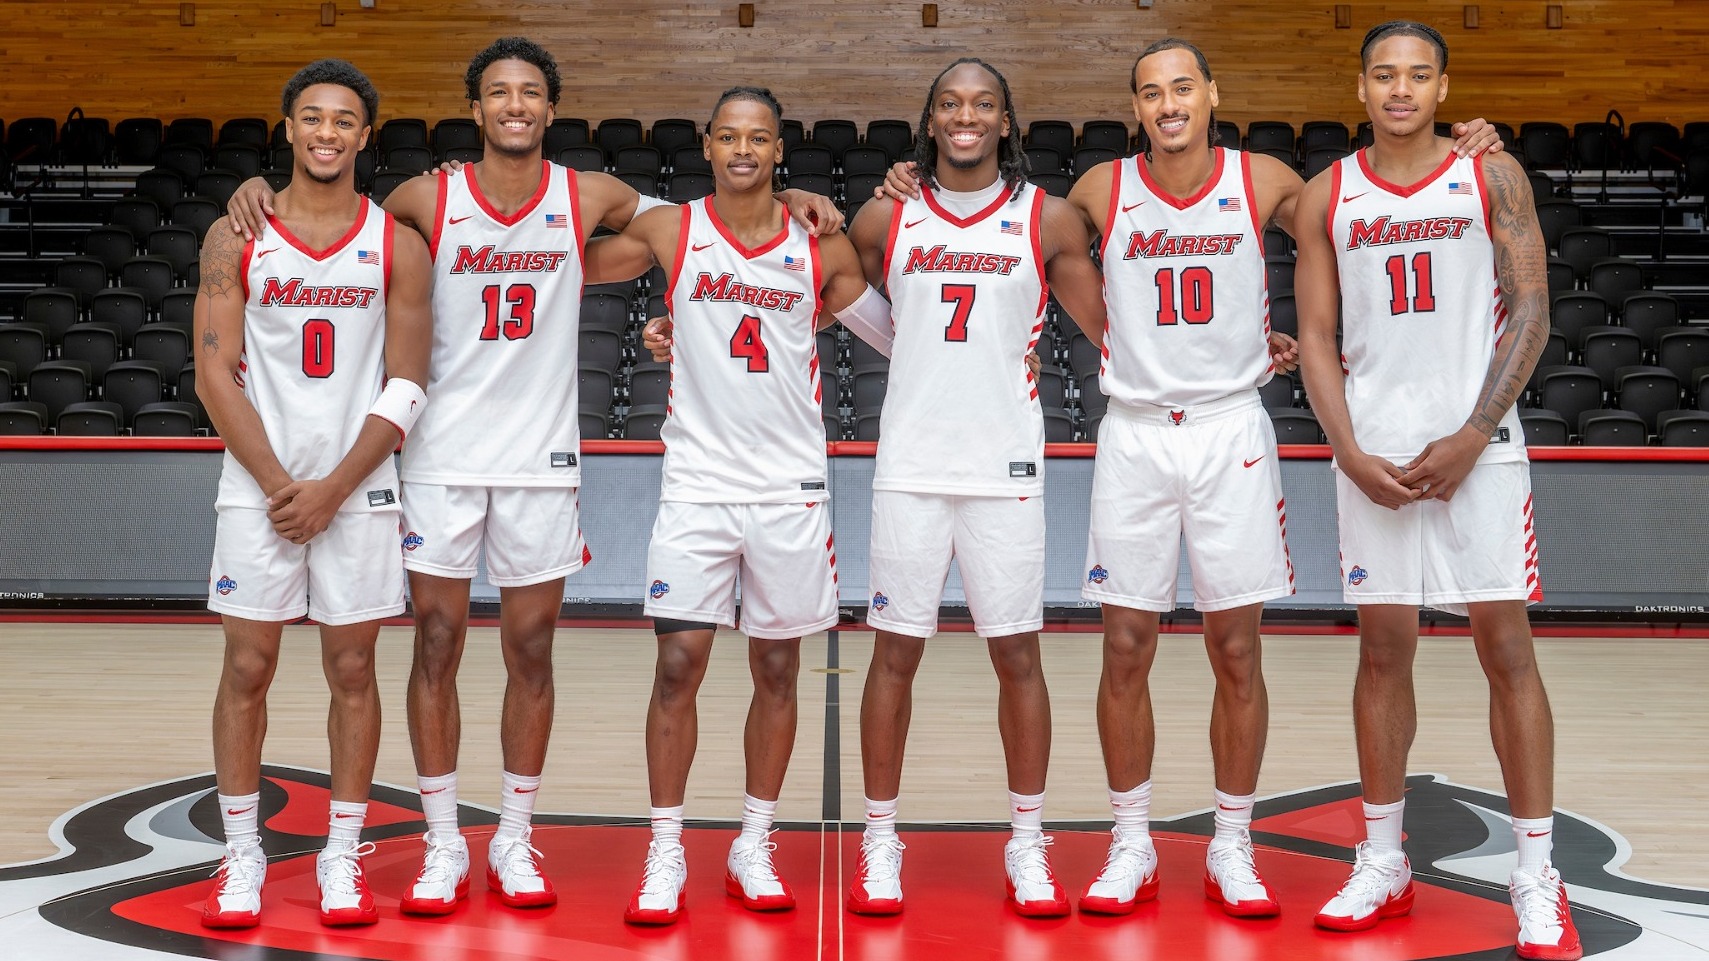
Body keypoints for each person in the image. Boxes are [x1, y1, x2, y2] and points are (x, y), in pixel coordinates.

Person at [877, 41, 1499, 919]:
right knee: (1123, 648)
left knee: (1235, 648)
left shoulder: (1269, 181)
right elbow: (1005, 237)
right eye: (1149, 92)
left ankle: (1231, 842)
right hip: (1134, 432)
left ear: (1211, 93)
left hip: (1227, 433)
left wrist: (1467, 143)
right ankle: (1130, 841)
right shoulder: (1099, 190)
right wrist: (907, 185)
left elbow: (1358, 231)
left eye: (1182, 88)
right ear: (1134, 107)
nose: (1168, 104)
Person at [226, 38, 839, 915]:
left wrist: (795, 198)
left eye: (530, 94)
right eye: (497, 93)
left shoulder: (590, 196)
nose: (514, 106)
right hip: (438, 454)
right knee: (435, 644)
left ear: (551, 110)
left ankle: (513, 835)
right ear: (473, 111)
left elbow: (711, 222)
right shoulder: (421, 199)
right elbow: (330, 212)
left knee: (531, 651)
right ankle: (444, 841)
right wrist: (253, 192)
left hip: (542, 460)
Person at [1292, 20, 1580, 960]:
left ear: (1443, 86)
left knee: (1506, 648)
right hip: (1372, 456)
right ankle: (1382, 857)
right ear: (1360, 85)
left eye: (1418, 75)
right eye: (1383, 74)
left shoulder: (1488, 172)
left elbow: (1531, 307)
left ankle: (1536, 871)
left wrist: (1471, 432)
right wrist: (1345, 451)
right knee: (1382, 652)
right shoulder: (1327, 193)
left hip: (1478, 448)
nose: (1400, 89)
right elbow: (1319, 340)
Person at [580, 86, 886, 926]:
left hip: (789, 488)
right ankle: (667, 844)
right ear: (708, 146)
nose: (743, 149)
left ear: (778, 150)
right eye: (728, 136)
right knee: (677, 664)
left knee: (777, 668)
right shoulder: (671, 230)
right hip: (698, 485)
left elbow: (896, 334)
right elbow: (559, 257)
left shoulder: (817, 248)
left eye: (759, 138)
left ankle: (755, 838)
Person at [841, 57, 1108, 919]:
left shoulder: (1049, 218)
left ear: (1004, 122)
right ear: (929, 120)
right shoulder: (886, 214)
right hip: (911, 465)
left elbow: (1114, 330)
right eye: (950, 104)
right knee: (892, 654)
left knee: (1017, 656)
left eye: (982, 104)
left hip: (1005, 469)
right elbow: (825, 292)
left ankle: (1027, 842)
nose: (966, 116)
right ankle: (880, 839)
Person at [196, 59, 433, 929]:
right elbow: (215, 372)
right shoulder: (235, 238)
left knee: (352, 670)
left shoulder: (396, 242)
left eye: (343, 120)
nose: (327, 132)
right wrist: (276, 483)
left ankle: (341, 853)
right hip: (256, 488)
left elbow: (408, 382)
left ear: (365, 135)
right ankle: (241, 854)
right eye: (311, 117)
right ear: (288, 128)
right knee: (247, 667)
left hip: (358, 492)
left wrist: (332, 489)